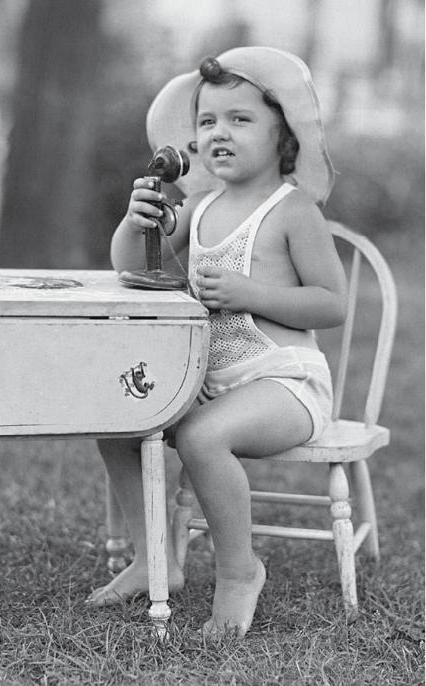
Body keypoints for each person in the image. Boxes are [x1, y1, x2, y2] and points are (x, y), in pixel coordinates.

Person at [86, 47, 347, 638]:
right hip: (210, 384)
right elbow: (133, 268)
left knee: (203, 437)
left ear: (282, 135)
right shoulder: (201, 207)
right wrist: (136, 222)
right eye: (206, 122)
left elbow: (332, 304)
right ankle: (156, 559)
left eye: (240, 119)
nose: (218, 133)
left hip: (284, 385)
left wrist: (250, 292)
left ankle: (238, 571)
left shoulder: (293, 211)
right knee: (118, 420)